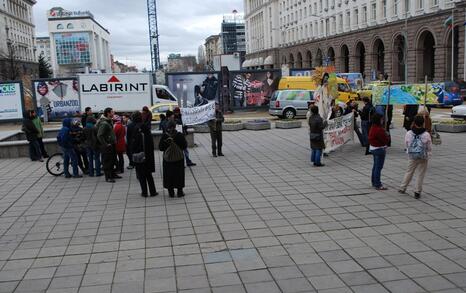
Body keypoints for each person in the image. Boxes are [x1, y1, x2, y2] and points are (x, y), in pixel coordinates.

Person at [399, 115, 432, 199]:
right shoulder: (426, 134)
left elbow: (406, 144)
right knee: (420, 173)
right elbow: (429, 146)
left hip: (412, 155)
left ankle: (403, 187)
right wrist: (429, 153)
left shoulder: (409, 133)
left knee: (409, 171)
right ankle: (417, 191)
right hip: (423, 156)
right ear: (423, 123)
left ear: (414, 122)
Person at [130, 111, 158, 197]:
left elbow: (133, 143)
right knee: (149, 175)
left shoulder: (134, 128)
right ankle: (153, 191)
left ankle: (144, 192)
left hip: (139, 155)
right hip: (147, 155)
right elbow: (150, 143)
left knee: (141, 175)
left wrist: (132, 152)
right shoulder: (145, 127)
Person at [159, 121, 187, 198]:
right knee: (179, 174)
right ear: (175, 127)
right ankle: (180, 192)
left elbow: (161, 148)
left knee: (168, 175)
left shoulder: (164, 136)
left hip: (168, 160)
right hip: (178, 159)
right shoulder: (179, 135)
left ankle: (171, 192)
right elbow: (184, 146)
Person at [97, 107, 119, 183]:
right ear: (108, 113)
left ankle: (113, 174)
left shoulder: (109, 121)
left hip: (111, 144)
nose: (114, 113)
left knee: (113, 160)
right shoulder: (104, 123)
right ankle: (108, 177)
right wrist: (106, 144)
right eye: (112, 112)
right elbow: (99, 135)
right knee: (107, 161)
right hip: (107, 146)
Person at [368, 113, 390, 190]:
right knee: (378, 167)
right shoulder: (379, 129)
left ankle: (374, 182)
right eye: (381, 119)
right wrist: (387, 135)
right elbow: (385, 140)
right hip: (379, 149)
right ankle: (377, 183)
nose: (382, 120)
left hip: (373, 148)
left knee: (375, 166)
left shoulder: (373, 127)